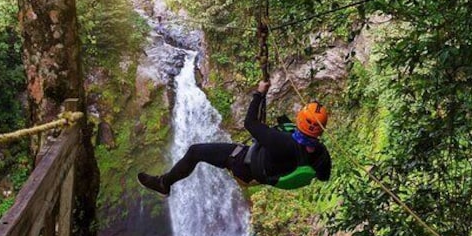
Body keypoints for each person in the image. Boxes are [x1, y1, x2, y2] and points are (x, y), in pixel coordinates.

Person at [137, 80, 331, 195]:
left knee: (195, 151)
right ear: (320, 129)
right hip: (269, 172)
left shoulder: (280, 141)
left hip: (245, 165)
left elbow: (250, 124)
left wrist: (259, 93)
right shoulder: (322, 154)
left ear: (300, 121)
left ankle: (164, 183)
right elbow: (323, 176)